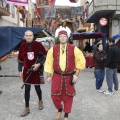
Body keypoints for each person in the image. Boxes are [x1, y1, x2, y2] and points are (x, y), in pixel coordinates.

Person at [44, 27, 86, 120]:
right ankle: (59, 109)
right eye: (61, 36)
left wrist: (76, 74)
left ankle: (66, 115)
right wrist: (48, 75)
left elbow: (81, 61)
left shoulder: (74, 48)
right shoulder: (53, 49)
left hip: (69, 76)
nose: (62, 38)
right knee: (54, 95)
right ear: (58, 38)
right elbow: (49, 62)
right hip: (57, 75)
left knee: (68, 96)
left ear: (67, 38)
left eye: (64, 36)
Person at [18, 30, 46, 117]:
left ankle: (40, 100)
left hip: (37, 70)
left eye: (30, 35)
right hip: (27, 71)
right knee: (27, 89)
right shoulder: (22, 46)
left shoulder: (38, 45)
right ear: (25, 36)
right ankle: (27, 108)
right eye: (27, 35)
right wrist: (20, 70)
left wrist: (39, 64)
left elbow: (44, 57)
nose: (28, 37)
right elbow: (20, 60)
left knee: (37, 88)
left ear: (33, 36)